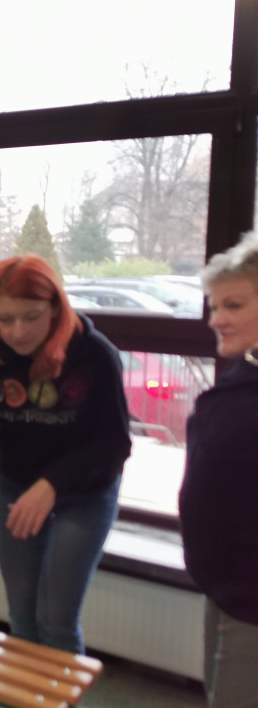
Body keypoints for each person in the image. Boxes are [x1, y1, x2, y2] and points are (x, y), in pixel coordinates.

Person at [0, 254, 131, 654]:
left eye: (31, 317)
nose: (18, 331)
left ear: (55, 309)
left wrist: (52, 484)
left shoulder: (94, 353)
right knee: (23, 618)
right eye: (5, 319)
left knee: (56, 620)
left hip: (86, 493)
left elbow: (114, 444)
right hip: (16, 485)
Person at [179, 231, 258, 708]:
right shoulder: (244, 373)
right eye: (214, 306)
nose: (217, 319)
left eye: (233, 305)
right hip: (223, 590)